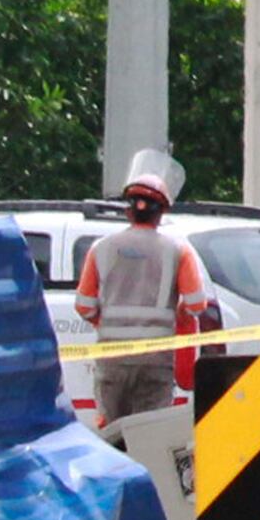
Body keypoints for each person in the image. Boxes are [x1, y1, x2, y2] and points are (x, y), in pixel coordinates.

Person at [76, 150, 210, 427]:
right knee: (149, 435)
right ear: (162, 212)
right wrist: (180, 315)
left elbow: (84, 306)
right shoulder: (178, 251)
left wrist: (107, 323)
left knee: (112, 432)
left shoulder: (100, 249)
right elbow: (197, 303)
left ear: (128, 210)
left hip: (111, 359)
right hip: (155, 361)